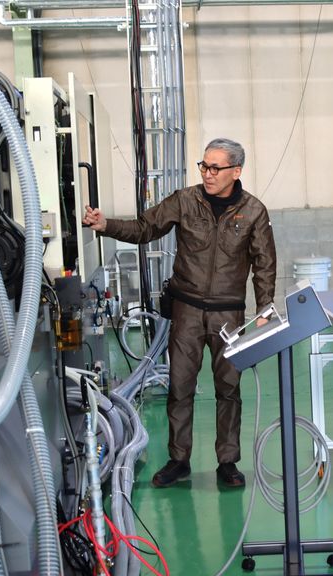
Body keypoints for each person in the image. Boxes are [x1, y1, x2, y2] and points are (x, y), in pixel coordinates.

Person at [83, 138, 277, 488]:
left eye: (215, 167)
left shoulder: (253, 211)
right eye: (204, 166)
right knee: (180, 386)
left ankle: (228, 462)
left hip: (228, 315)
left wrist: (264, 309)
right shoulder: (185, 201)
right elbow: (145, 228)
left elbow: (264, 263)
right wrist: (105, 224)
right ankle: (179, 460)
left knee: (228, 389)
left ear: (236, 171)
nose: (207, 173)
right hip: (187, 310)